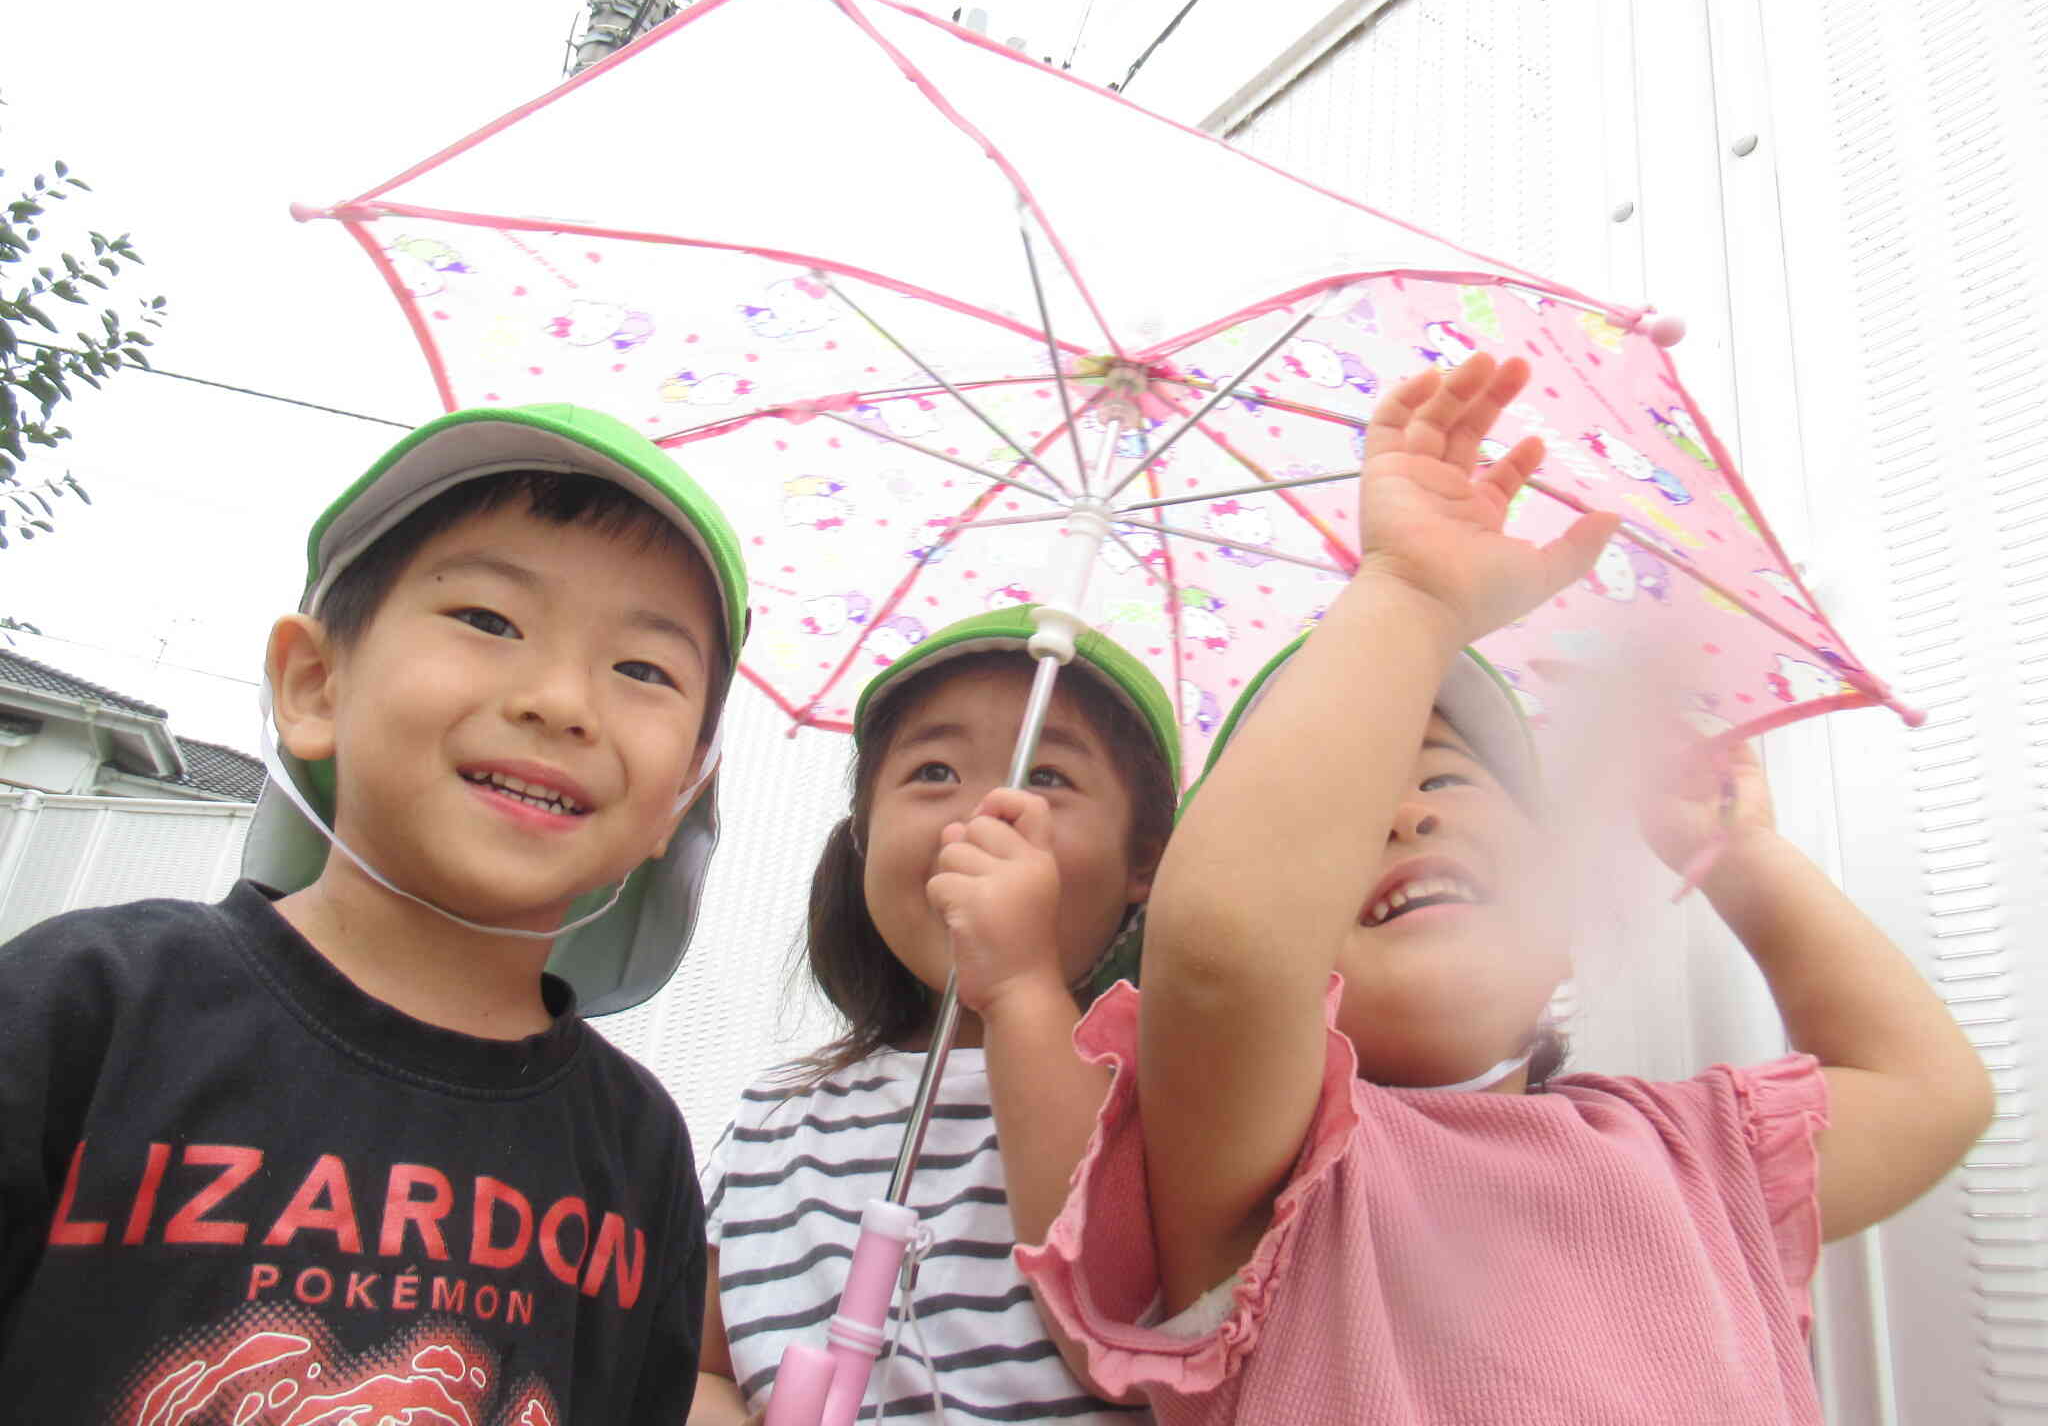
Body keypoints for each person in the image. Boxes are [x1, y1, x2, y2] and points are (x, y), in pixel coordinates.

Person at [1018, 354, 1994, 1424]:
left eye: (1445, 776)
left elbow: (1928, 1091)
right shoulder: (1263, 1171)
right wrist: (1410, 597)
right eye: (1358, 806)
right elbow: (1228, 956)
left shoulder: (1693, 1154)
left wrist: (1741, 859)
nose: (1409, 813)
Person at [0, 403, 751, 1422]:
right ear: (313, 683)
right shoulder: (88, 1010)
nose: (562, 699)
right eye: (488, 619)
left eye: (644, 670)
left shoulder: (636, 1152)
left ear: (679, 799)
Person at [694, 606, 1178, 1424]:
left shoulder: (1157, 1101)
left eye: (1048, 778)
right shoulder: (774, 1120)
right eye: (933, 772)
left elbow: (1113, 1332)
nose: (986, 814)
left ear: (1146, 862)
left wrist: (1020, 983)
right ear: (863, 834)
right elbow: (695, 1364)